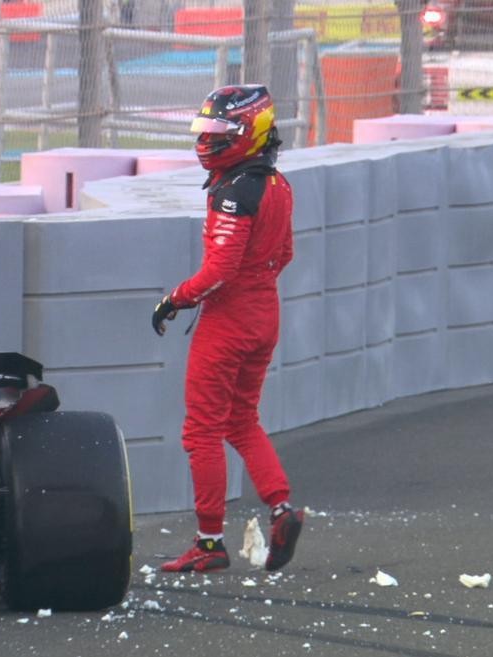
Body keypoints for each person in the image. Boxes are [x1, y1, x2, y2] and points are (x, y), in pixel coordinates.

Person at [151, 84, 303, 573]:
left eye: (220, 131)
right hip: (265, 313)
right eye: (207, 130)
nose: (208, 140)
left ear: (250, 133)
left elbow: (220, 270)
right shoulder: (278, 184)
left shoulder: (234, 190)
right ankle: (281, 508)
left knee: (202, 431)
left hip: (229, 320)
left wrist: (174, 299)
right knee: (242, 421)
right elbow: (285, 254)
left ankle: (210, 542)